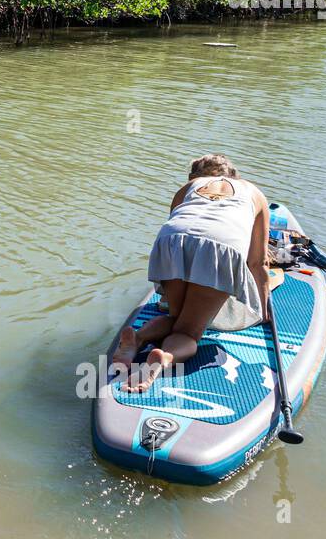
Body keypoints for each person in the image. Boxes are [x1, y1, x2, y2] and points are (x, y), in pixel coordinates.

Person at [111, 153, 272, 393]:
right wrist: (264, 307)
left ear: (195, 176)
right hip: (220, 246)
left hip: (172, 240)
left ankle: (138, 338)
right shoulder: (255, 193)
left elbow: (180, 223)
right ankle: (165, 358)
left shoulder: (188, 187)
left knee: (178, 317)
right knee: (188, 331)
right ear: (235, 175)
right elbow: (257, 263)